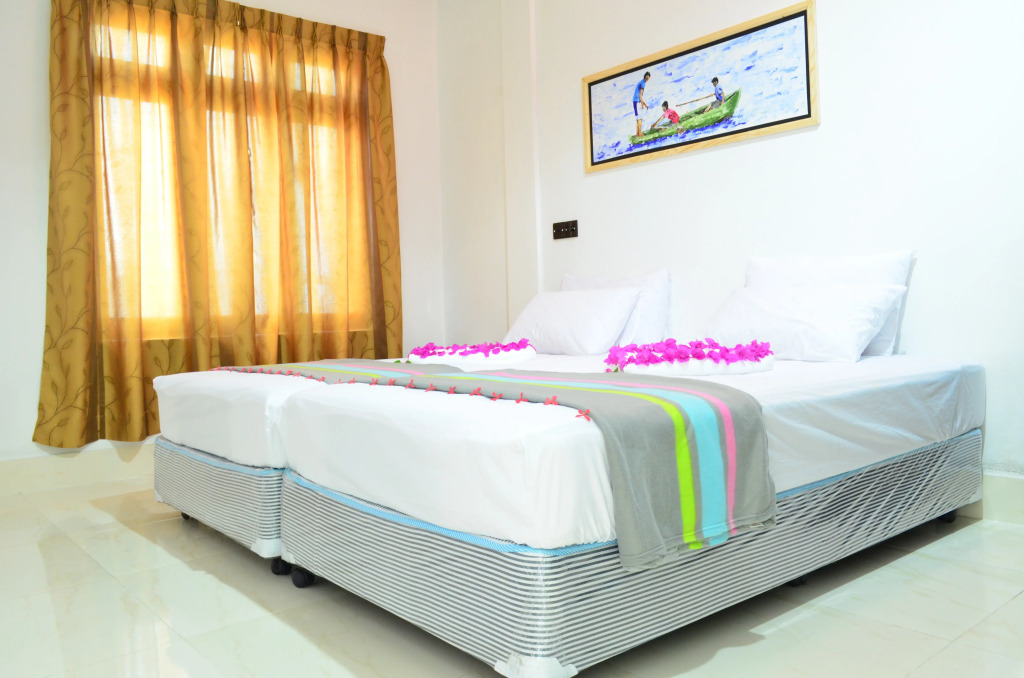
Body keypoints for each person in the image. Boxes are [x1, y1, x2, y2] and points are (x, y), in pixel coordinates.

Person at [632, 71, 650, 137]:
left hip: (635, 101)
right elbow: (640, 95)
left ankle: (637, 134)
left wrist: (644, 104)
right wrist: (642, 104)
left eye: (648, 78)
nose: (647, 79)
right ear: (645, 77)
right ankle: (639, 134)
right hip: (637, 102)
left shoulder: (641, 82)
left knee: (638, 118)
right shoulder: (643, 83)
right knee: (640, 118)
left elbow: (640, 96)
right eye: (647, 78)